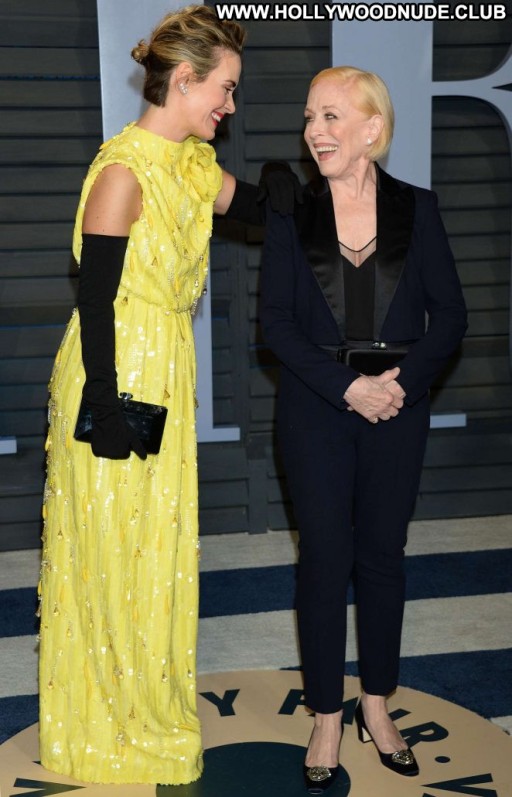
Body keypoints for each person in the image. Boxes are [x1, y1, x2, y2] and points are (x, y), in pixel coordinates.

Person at [38, 5, 296, 786]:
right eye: (225, 89)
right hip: (114, 373)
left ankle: (149, 708)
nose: (230, 105)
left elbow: (259, 209)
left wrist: (288, 182)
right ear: (183, 80)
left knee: (154, 553)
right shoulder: (124, 172)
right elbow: (95, 303)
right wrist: (107, 408)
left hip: (166, 372)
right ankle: (105, 724)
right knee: (109, 551)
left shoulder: (189, 165)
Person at [260, 66, 467, 793]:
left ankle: (376, 703)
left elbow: (452, 317)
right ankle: (325, 714)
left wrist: (398, 387)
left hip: (398, 409)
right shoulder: (291, 211)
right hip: (316, 408)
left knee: (383, 557)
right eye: (309, 116)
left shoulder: (419, 207)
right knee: (323, 559)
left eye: (331, 116)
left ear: (372, 128)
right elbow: (276, 325)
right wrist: (348, 386)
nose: (314, 130)